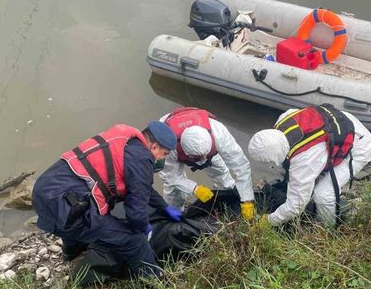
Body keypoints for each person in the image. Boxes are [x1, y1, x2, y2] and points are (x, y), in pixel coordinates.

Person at [32, 122, 182, 279]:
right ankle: (155, 284)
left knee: (74, 220)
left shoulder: (126, 142)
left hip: (44, 192)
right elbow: (136, 215)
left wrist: (165, 208)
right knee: (134, 241)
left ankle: (70, 254)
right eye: (164, 154)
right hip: (66, 206)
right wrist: (145, 229)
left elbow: (144, 189)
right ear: (154, 147)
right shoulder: (142, 158)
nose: (162, 159)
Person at [247, 104, 371, 227]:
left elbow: (295, 207)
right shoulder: (283, 119)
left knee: (323, 194)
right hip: (342, 121)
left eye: (268, 159)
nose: (268, 163)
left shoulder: (305, 160)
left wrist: (268, 221)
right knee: (310, 182)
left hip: (359, 146)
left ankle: (327, 229)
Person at [158, 107, 256, 220]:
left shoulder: (219, 133)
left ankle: (226, 195)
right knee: (173, 190)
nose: (202, 160)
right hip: (175, 142)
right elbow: (170, 176)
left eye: (204, 155)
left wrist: (247, 199)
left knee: (221, 174)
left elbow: (241, 166)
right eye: (197, 158)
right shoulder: (167, 143)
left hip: (208, 150)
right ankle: (173, 214)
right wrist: (194, 188)